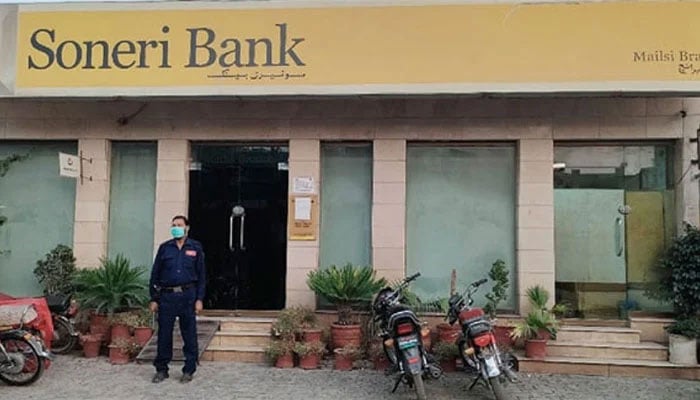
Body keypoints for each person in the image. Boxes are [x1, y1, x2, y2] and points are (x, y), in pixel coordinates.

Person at [149, 215, 206, 383]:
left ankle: (188, 369)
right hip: (167, 296)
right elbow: (155, 274)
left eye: (179, 225)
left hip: (188, 295)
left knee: (189, 334)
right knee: (164, 334)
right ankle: (161, 369)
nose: (176, 228)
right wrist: (154, 298)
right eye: (173, 225)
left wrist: (200, 298)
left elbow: (202, 275)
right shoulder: (165, 248)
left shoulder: (195, 247)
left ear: (187, 227)